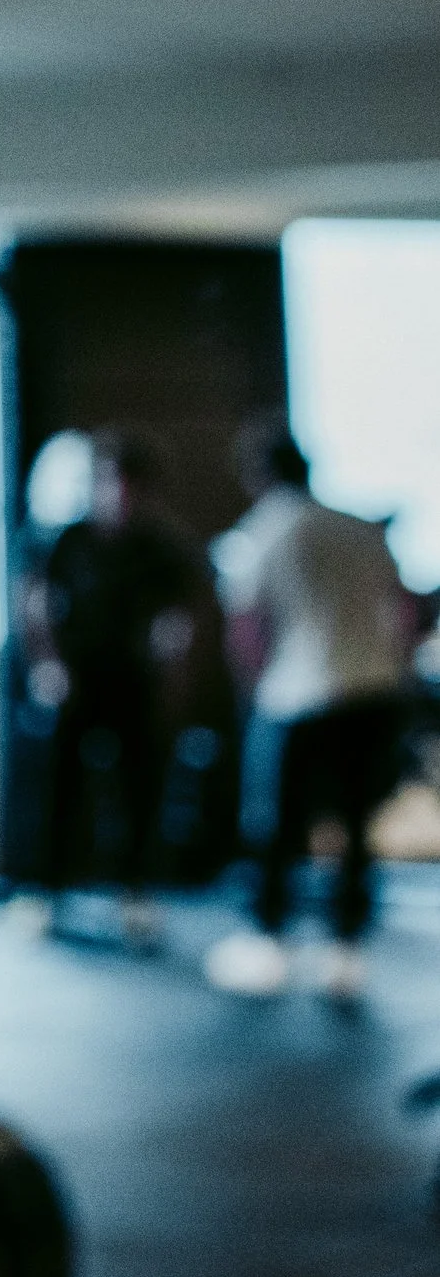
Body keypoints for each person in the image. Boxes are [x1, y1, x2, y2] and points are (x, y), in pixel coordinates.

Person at [206, 418, 412, 999]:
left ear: (258, 474)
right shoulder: (360, 530)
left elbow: (246, 627)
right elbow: (402, 613)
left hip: (297, 698)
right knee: (354, 823)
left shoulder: (266, 531)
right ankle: (346, 949)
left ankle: (268, 942)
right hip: (373, 693)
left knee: (275, 824)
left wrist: (256, 690)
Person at [28, 430, 213, 947]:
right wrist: (49, 665)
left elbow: (182, 614)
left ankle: (135, 895)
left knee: (140, 789)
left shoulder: (160, 546)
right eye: (112, 483)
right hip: (76, 680)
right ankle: (48, 892)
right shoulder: (69, 541)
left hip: (134, 682)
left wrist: (175, 667)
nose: (121, 495)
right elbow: (37, 601)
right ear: (98, 485)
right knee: (63, 788)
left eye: (132, 486)